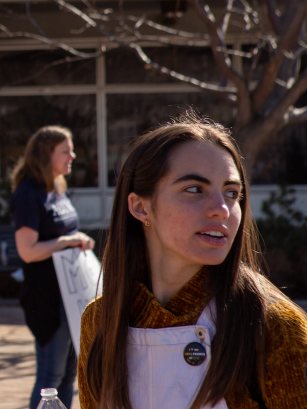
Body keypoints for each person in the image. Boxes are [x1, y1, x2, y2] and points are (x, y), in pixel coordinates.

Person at [78, 115, 307, 409]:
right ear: (140, 206)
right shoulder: (100, 321)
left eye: (232, 193)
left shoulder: (274, 327)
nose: (222, 210)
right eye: (195, 189)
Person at [10, 125, 96, 409]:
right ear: (46, 154)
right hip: (47, 301)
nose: (73, 155)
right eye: (66, 151)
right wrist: (68, 240)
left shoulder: (56, 187)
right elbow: (27, 251)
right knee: (51, 376)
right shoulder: (28, 194)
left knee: (70, 375)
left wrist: (75, 242)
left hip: (71, 298)